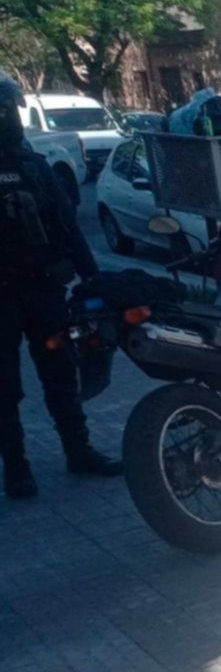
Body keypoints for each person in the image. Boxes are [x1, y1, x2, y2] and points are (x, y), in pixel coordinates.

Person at [0, 69, 122, 498]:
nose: (8, 118)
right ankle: (16, 468)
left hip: (45, 292)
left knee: (61, 375)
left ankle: (78, 450)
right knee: (5, 388)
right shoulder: (31, 164)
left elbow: (67, 225)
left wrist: (94, 280)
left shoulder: (34, 165)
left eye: (9, 110)